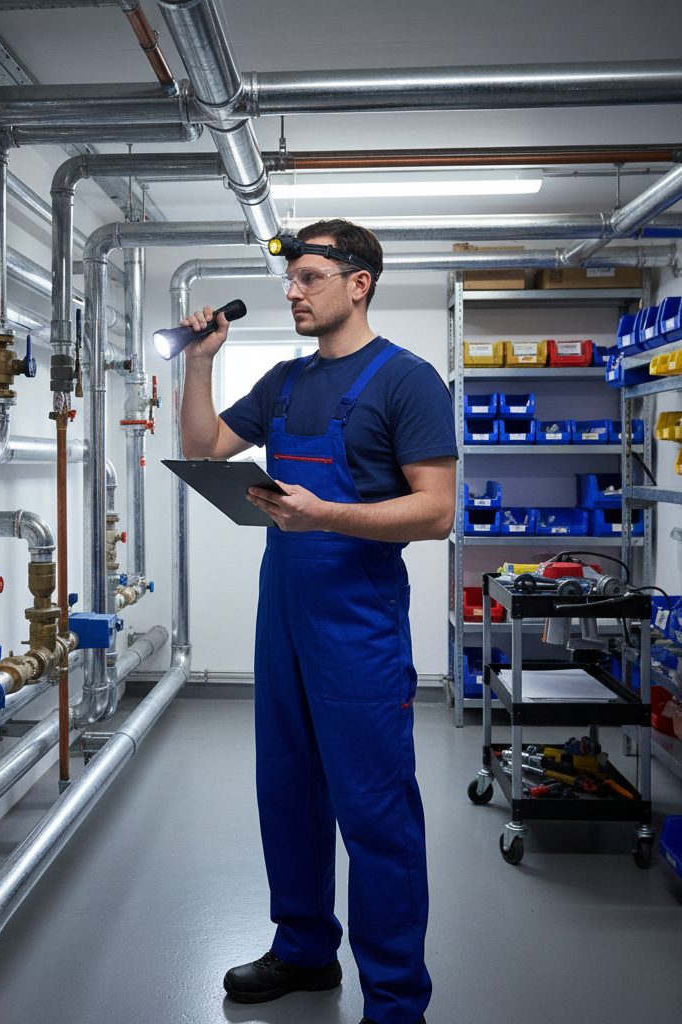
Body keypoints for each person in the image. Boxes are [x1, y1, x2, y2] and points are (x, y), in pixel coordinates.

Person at [178, 219, 456, 1024]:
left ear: (359, 283)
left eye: (309, 278)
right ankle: (304, 949)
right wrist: (201, 361)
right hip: (285, 616)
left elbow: (437, 511)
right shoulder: (285, 381)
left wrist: (325, 513)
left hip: (358, 625)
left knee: (375, 812)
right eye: (291, 279)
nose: (293, 292)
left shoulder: (407, 381)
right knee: (288, 792)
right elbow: (205, 445)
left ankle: (396, 1001)